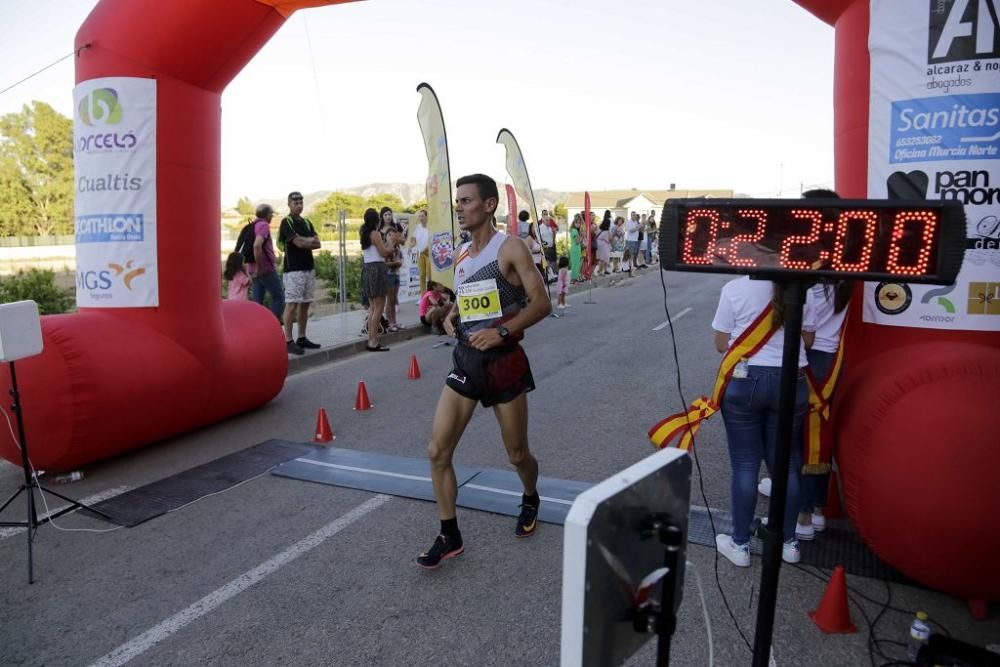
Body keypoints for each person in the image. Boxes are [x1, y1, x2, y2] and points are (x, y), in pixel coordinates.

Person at [416, 173, 551, 569]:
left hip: (504, 361)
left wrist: (503, 331)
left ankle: (530, 497)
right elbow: (468, 297)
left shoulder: (511, 248)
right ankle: (449, 534)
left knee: (516, 453)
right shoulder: (461, 254)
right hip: (466, 359)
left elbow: (541, 303)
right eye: (457, 201)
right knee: (437, 450)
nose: (459, 207)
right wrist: (449, 314)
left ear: (489, 205)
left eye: (466, 201)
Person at [713, 277, 818, 567]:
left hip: (747, 380)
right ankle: (789, 542)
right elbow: (808, 340)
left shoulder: (734, 288)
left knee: (745, 465)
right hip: (792, 381)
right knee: (787, 464)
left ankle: (740, 544)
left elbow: (722, 344)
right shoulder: (805, 287)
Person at [278, 191, 322, 355]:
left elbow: (318, 243)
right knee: (291, 304)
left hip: (308, 268)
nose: (299, 205)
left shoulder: (307, 222)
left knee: (305, 304)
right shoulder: (286, 222)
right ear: (289, 204)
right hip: (293, 270)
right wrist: (307, 241)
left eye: (301, 202)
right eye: (295, 203)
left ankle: (302, 338)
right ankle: (288, 340)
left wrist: (306, 241)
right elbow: (297, 243)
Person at [360, 208, 393, 351]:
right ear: (376, 220)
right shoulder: (375, 234)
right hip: (377, 269)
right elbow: (384, 252)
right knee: (379, 307)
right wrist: (391, 243)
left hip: (367, 269)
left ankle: (371, 339)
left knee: (373, 307)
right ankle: (373, 341)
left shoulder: (364, 233)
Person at [250, 204, 285, 322]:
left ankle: (257, 328)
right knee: (279, 297)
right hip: (265, 269)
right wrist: (259, 268)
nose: (272, 216)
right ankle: (273, 325)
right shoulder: (264, 225)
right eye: (271, 214)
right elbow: (257, 245)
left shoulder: (253, 225)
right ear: (267, 214)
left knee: (257, 303)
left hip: (252, 269)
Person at [383, 224, 404, 332]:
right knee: (389, 301)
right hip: (389, 275)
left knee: (394, 300)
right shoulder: (386, 247)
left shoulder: (396, 247)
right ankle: (390, 323)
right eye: (390, 234)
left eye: (394, 234)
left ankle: (394, 321)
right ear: (387, 236)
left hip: (396, 274)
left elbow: (400, 260)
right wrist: (395, 263)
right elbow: (384, 264)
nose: (393, 236)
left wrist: (398, 263)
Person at [409, 209, 430, 292]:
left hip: (429, 254)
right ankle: (423, 296)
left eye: (422, 216)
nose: (421, 218)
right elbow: (414, 240)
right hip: (420, 254)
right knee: (422, 275)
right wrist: (410, 246)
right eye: (419, 216)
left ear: (426, 216)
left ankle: (430, 295)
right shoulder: (418, 227)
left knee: (429, 276)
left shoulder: (431, 226)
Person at [538, 209, 557, 281]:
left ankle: (550, 275)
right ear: (543, 220)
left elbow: (552, 236)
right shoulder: (540, 227)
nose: (549, 222)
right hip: (545, 247)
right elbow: (539, 238)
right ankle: (550, 275)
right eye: (547, 221)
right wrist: (543, 245)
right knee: (547, 261)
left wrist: (554, 235)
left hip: (551, 247)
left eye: (549, 220)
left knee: (550, 261)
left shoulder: (549, 228)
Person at [569, 214, 583, 282]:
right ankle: (573, 279)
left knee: (576, 264)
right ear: (574, 223)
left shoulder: (574, 230)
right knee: (575, 264)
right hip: (575, 249)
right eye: (577, 223)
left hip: (576, 249)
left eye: (580, 223)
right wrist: (581, 236)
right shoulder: (574, 231)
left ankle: (574, 278)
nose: (579, 224)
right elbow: (577, 241)